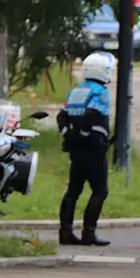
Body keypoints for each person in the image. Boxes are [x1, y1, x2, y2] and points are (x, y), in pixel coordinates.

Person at [56, 51, 118, 247]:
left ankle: (65, 233)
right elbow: (92, 114)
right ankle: (88, 233)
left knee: (73, 190)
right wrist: (84, 134)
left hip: (76, 150)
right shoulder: (100, 92)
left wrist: (69, 134)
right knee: (100, 191)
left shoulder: (76, 90)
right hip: (93, 149)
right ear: (102, 72)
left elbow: (61, 116)